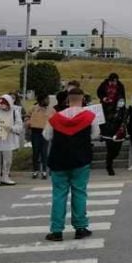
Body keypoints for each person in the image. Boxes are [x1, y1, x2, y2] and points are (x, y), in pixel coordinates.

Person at [44, 88, 98, 242]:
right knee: (79, 193)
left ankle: (56, 231)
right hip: (80, 160)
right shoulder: (90, 116)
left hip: (59, 160)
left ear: (67, 100)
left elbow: (46, 135)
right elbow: (95, 134)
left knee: (59, 195)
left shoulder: (55, 118)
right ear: (82, 100)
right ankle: (80, 228)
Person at [0, 94, 24, 188]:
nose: (2, 107)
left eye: (4, 104)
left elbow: (19, 126)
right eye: (0, 104)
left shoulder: (15, 112)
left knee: (8, 158)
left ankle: (5, 176)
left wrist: (11, 128)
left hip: (8, 138)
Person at [100, 96, 127, 176]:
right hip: (109, 134)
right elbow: (104, 119)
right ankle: (109, 167)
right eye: (119, 101)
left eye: (122, 101)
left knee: (116, 151)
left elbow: (124, 121)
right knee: (110, 151)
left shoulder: (124, 111)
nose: (121, 103)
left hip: (119, 135)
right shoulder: (110, 109)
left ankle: (109, 162)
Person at [29, 94, 52, 179]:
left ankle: (44, 170)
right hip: (35, 132)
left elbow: (55, 119)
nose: (48, 101)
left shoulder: (51, 110)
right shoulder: (33, 109)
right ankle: (35, 170)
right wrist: (29, 123)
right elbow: (27, 117)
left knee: (44, 152)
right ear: (41, 100)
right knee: (35, 151)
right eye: (46, 99)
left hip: (45, 132)